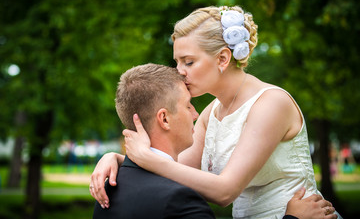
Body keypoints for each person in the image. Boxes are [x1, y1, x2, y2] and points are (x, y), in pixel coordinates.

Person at [90, 6, 340, 219]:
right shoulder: (211, 113)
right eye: (177, 62)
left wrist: (147, 158)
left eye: (188, 62)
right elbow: (174, 168)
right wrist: (117, 158)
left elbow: (224, 192)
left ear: (222, 59)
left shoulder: (271, 103)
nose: (180, 72)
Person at [92, 63, 321, 219]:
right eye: (188, 105)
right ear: (164, 118)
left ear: (223, 59)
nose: (195, 114)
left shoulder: (108, 189)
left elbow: (171, 169)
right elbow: (222, 191)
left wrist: (120, 159)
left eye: (188, 62)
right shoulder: (181, 200)